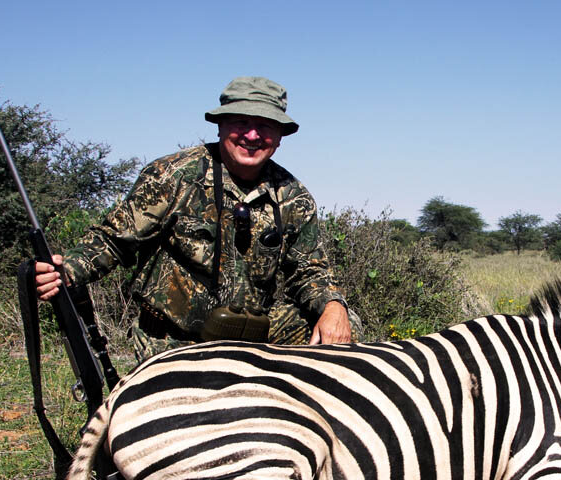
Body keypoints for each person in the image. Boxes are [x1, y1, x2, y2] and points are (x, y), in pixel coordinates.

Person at [35, 76, 358, 361]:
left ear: (281, 134)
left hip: (252, 336)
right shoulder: (173, 176)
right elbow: (113, 240)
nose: (252, 135)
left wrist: (333, 305)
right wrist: (67, 272)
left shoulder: (293, 196)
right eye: (241, 122)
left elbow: (310, 272)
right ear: (220, 126)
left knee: (346, 327)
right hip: (175, 340)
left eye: (265, 125)